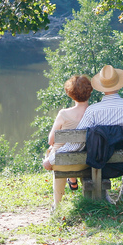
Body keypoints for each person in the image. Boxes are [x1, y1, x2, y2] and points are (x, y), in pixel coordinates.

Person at [45, 64, 123, 203]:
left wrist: (52, 159)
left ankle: (105, 197)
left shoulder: (93, 111)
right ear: (119, 85)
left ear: (101, 87)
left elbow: (76, 143)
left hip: (101, 161)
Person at [42, 75, 93, 209]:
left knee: (54, 152)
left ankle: (57, 204)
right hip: (85, 162)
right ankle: (73, 180)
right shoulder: (95, 113)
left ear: (70, 94)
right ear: (90, 91)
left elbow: (51, 140)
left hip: (61, 163)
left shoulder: (64, 114)